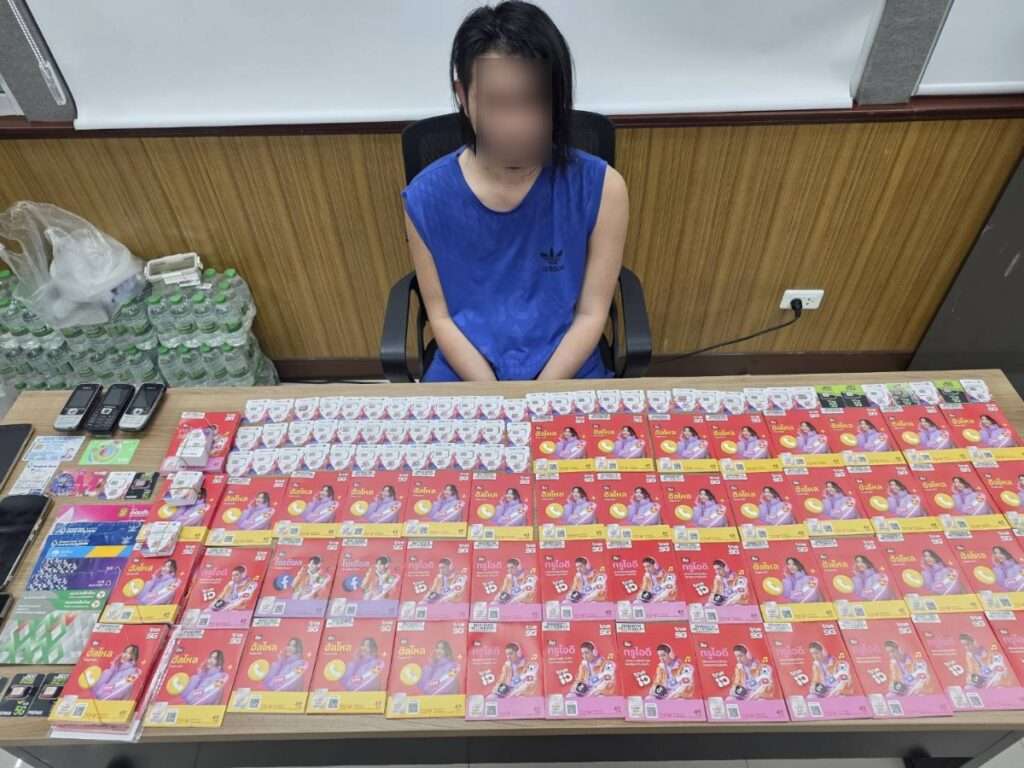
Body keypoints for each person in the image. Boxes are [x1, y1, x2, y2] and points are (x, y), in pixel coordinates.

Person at [401, 1, 629, 381]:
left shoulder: (604, 188)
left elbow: (591, 313)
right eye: (496, 103)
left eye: (533, 101)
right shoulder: (425, 198)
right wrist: (495, 397)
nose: (517, 125)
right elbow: (440, 317)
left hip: (567, 367)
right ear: (463, 95)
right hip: (466, 370)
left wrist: (537, 397)